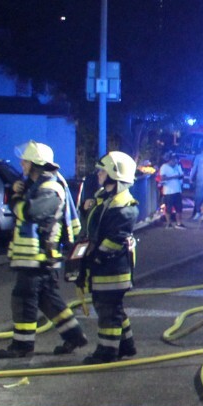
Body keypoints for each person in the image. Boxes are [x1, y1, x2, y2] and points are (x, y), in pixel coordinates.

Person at [0, 141, 89, 360]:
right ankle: (74, 336)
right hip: (35, 258)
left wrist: (16, 199)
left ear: (36, 164)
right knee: (48, 300)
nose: (22, 164)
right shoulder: (37, 186)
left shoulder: (50, 189)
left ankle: (22, 345)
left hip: (37, 258)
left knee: (24, 300)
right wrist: (17, 190)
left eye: (25, 161)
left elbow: (30, 213)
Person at [76, 151, 140, 364]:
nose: (99, 174)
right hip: (106, 267)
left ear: (115, 174)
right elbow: (94, 226)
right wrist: (86, 208)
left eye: (103, 171)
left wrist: (95, 257)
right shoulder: (105, 199)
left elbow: (114, 239)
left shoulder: (124, 207)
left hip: (112, 269)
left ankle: (107, 351)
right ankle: (127, 346)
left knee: (108, 312)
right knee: (114, 309)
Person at [156, 152, 186, 228]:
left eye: (176, 160)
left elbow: (181, 175)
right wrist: (174, 177)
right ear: (170, 160)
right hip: (168, 191)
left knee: (179, 208)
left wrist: (181, 177)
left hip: (177, 190)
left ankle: (179, 223)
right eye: (174, 160)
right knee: (168, 208)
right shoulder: (164, 167)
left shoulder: (178, 166)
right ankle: (168, 223)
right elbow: (162, 178)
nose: (176, 161)